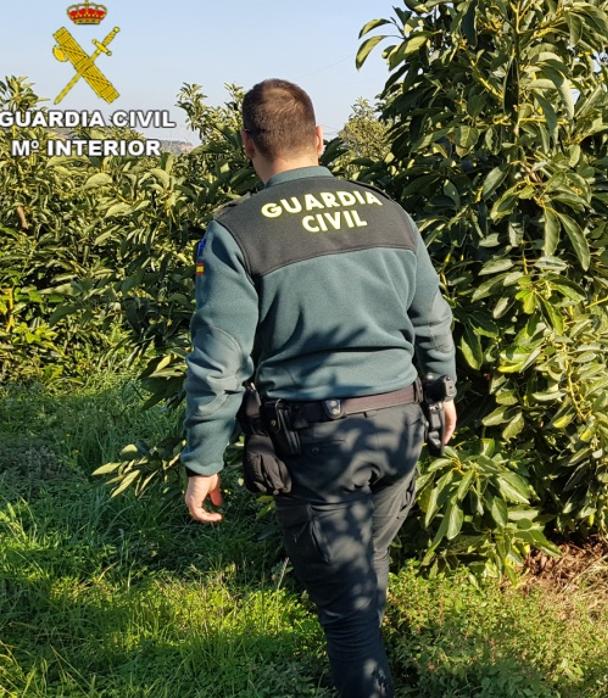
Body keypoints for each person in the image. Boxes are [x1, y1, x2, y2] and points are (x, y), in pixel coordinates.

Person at [179, 78, 457, 698]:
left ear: (247, 143)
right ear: (320, 136)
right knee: (364, 570)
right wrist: (441, 391)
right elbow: (431, 316)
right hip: (398, 424)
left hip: (315, 440)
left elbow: (219, 358)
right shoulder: (386, 210)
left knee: (346, 611)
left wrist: (202, 460)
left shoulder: (239, 231)